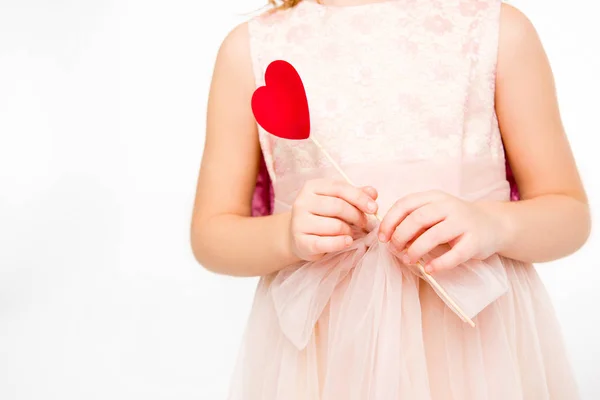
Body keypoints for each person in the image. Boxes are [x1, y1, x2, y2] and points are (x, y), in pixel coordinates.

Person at [190, 0, 590, 398]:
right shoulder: (251, 48)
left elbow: (569, 213)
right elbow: (211, 235)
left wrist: (494, 224)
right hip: (325, 357)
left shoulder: (499, 30)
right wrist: (285, 236)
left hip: (476, 350)